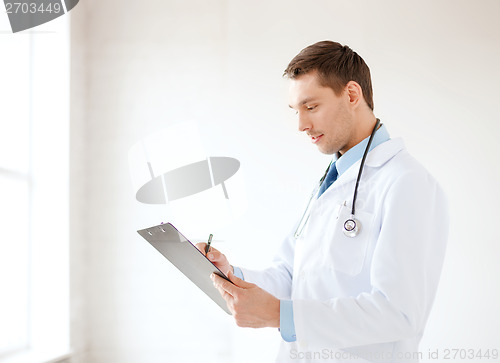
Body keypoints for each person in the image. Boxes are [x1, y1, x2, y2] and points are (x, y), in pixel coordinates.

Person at [196, 41, 449, 363]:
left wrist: (282, 316)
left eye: (311, 107)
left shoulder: (407, 183)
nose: (301, 125)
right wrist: (233, 276)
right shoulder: (332, 181)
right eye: (296, 111)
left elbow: (398, 312)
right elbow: (293, 275)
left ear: (352, 94)